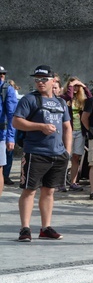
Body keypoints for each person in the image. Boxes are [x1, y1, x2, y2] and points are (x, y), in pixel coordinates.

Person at [12, 65, 72, 242]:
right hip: (36, 152)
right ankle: (25, 228)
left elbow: (67, 127)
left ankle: (46, 228)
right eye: (37, 79)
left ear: (54, 80)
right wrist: (40, 126)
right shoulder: (30, 99)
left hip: (57, 154)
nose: (40, 82)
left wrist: (67, 151)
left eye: (44, 79)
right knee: (29, 190)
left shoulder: (60, 102)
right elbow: (16, 122)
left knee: (49, 191)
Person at [61, 76, 92, 191]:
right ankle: (62, 182)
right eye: (73, 86)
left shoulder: (82, 100)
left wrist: (84, 86)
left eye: (77, 86)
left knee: (76, 157)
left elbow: (91, 99)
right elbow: (68, 96)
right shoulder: (63, 97)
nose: (75, 88)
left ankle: (73, 182)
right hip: (68, 131)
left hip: (80, 131)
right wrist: (71, 85)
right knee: (65, 156)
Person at [1, 65, 18, 197]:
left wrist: (10, 137)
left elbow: (12, 115)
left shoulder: (7, 90)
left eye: (2, 74)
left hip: (1, 134)